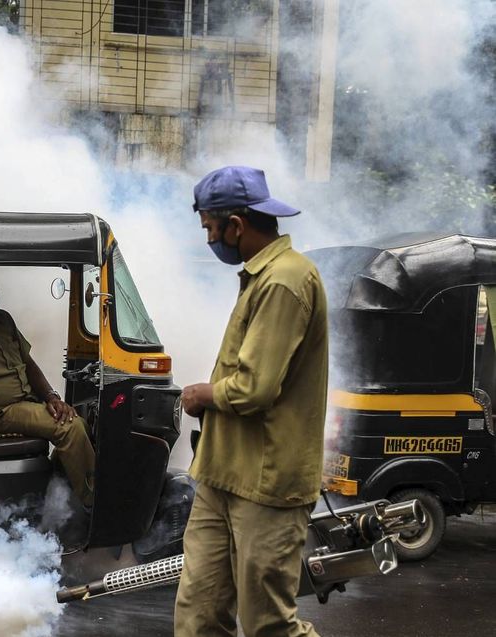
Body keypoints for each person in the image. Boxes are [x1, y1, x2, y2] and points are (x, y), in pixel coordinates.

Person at [174, 166, 328, 637]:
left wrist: (203, 394)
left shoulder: (285, 281)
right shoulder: (262, 277)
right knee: (199, 615)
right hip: (222, 474)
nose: (209, 240)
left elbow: (254, 388)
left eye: (210, 229)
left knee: (268, 625)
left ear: (236, 225)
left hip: (266, 483)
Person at [0, 265, 94, 508]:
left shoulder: (3, 319)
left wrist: (52, 396)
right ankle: (93, 505)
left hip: (24, 404)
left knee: (81, 424)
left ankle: (59, 493)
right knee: (71, 427)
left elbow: (29, 364)